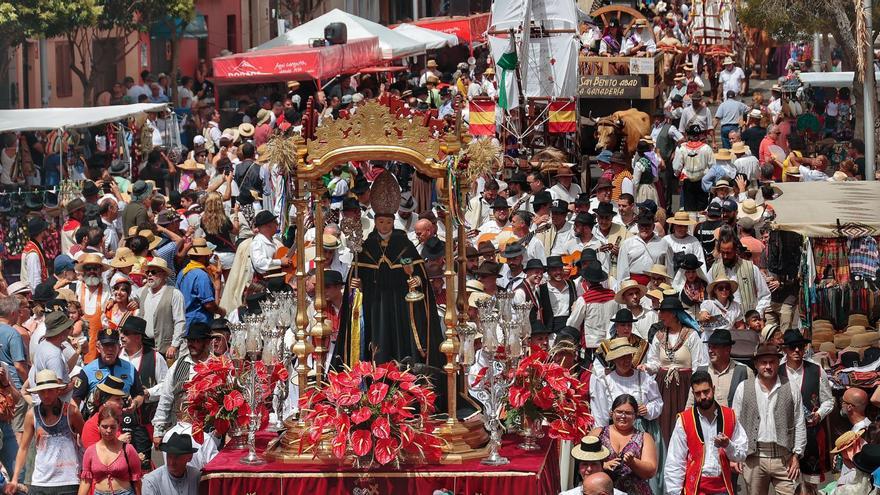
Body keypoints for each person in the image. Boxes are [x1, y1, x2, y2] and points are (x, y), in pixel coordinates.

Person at [731, 343, 807, 495]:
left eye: (772, 362)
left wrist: (797, 455)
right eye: (763, 362)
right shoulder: (743, 388)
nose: (768, 366)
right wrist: (736, 455)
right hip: (753, 458)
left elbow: (799, 422)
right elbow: (735, 423)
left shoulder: (791, 387)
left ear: (778, 363)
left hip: (784, 458)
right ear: (756, 364)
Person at [664, 370, 748, 495]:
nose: (703, 397)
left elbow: (742, 454)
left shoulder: (730, 415)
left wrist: (728, 445)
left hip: (723, 488)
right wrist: (674, 492)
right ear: (693, 394)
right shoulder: (684, 420)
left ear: (713, 389)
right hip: (695, 489)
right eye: (698, 393)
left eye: (706, 391)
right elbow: (675, 461)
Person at [642, 295, 708, 444]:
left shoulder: (691, 336)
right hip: (663, 387)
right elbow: (655, 362)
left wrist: (695, 389)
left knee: (684, 421)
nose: (660, 315)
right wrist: (646, 367)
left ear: (673, 314)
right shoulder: (659, 336)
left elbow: (698, 364)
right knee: (664, 422)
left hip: (684, 386)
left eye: (663, 312)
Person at [8, 369, 85, 495]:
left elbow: (86, 439)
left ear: (57, 390)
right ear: (37, 392)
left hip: (69, 480)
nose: (46, 395)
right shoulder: (31, 415)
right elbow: (23, 448)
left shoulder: (72, 412)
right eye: (42, 391)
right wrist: (15, 478)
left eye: (50, 390)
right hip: (40, 481)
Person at [779, 328, 833, 494]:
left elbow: (829, 401)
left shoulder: (816, 370)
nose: (797, 350)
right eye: (792, 347)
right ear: (784, 349)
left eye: (800, 347)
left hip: (811, 434)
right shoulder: (777, 372)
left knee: (810, 485)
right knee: (788, 484)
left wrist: (819, 414)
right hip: (786, 436)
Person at [151, 322, 212, 446]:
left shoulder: (217, 364)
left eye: (196, 341)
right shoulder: (178, 364)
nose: (191, 344)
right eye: (190, 340)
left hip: (209, 433)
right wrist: (158, 431)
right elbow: (166, 397)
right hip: (179, 432)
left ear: (207, 342)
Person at [588, 394, 658, 495]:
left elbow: (651, 471)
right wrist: (603, 465)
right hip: (601, 490)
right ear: (612, 413)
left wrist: (633, 462)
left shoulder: (645, 437)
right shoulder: (598, 433)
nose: (623, 416)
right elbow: (583, 461)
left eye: (628, 413)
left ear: (635, 415)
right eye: (619, 412)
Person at [77, 402, 142, 495]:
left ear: (118, 426)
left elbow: (136, 480)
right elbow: (86, 481)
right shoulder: (90, 451)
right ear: (98, 426)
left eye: (112, 427)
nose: (108, 431)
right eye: (104, 426)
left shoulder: (128, 449)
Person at [688, 329, 753, 408]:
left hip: (733, 419)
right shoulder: (701, 370)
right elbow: (691, 402)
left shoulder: (744, 371)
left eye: (715, 347)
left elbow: (752, 403)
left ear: (727, 349)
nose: (710, 350)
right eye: (709, 347)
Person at [673, 124, 714, 213]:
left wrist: (676, 175)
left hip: (688, 181)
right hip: (703, 180)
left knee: (689, 207)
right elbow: (712, 166)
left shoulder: (682, 148)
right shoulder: (706, 148)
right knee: (702, 207)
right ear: (699, 135)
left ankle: (691, 225)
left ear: (688, 135)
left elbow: (676, 167)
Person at [616, 212, 664, 284]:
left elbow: (668, 267)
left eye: (648, 226)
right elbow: (622, 270)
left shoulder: (663, 243)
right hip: (634, 285)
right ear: (638, 226)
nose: (644, 228)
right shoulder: (627, 244)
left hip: (656, 283)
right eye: (642, 226)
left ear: (653, 226)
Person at [21, 217, 50, 292]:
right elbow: (34, 283)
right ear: (41, 232)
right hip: (36, 297)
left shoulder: (34, 247)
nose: (47, 232)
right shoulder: (33, 253)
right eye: (45, 229)